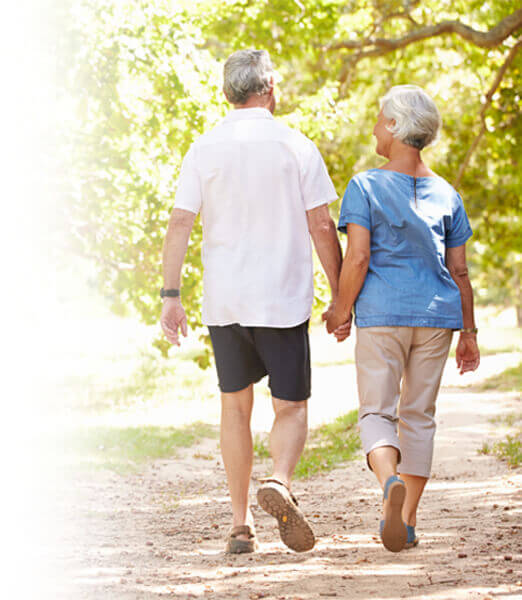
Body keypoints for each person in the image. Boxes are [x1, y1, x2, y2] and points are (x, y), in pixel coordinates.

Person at [161, 49, 346, 554]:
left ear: (230, 91)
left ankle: (241, 525)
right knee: (291, 406)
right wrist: (339, 296)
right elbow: (321, 225)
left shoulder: (204, 148)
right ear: (268, 86)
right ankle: (280, 482)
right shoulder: (295, 145)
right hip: (281, 299)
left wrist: (170, 296)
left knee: (234, 408)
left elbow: (180, 222)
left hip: (226, 300)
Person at [325, 85, 480, 553]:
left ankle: (389, 480)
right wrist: (469, 333)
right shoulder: (448, 193)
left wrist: (339, 309)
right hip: (437, 318)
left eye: (378, 118)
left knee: (377, 410)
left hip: (383, 315)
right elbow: (459, 271)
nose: (374, 126)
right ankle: (407, 518)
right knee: (418, 416)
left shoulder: (365, 185)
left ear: (393, 126)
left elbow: (357, 259)